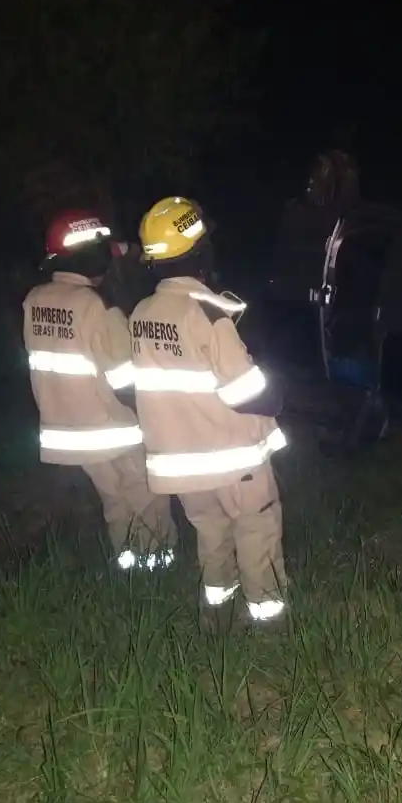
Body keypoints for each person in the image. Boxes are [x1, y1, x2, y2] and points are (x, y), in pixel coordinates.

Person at [128, 196, 289, 634]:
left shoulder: (141, 315)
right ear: (200, 252)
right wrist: (276, 388)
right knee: (256, 534)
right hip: (234, 461)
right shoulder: (210, 311)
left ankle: (214, 619)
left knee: (211, 538)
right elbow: (247, 393)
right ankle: (269, 627)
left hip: (182, 466)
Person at [23, 209, 178, 571]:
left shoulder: (35, 300)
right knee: (146, 495)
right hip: (114, 427)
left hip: (69, 431)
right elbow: (126, 380)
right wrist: (155, 418)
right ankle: (157, 568)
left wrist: (128, 250)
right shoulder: (98, 308)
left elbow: (112, 249)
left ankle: (127, 564)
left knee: (113, 499)